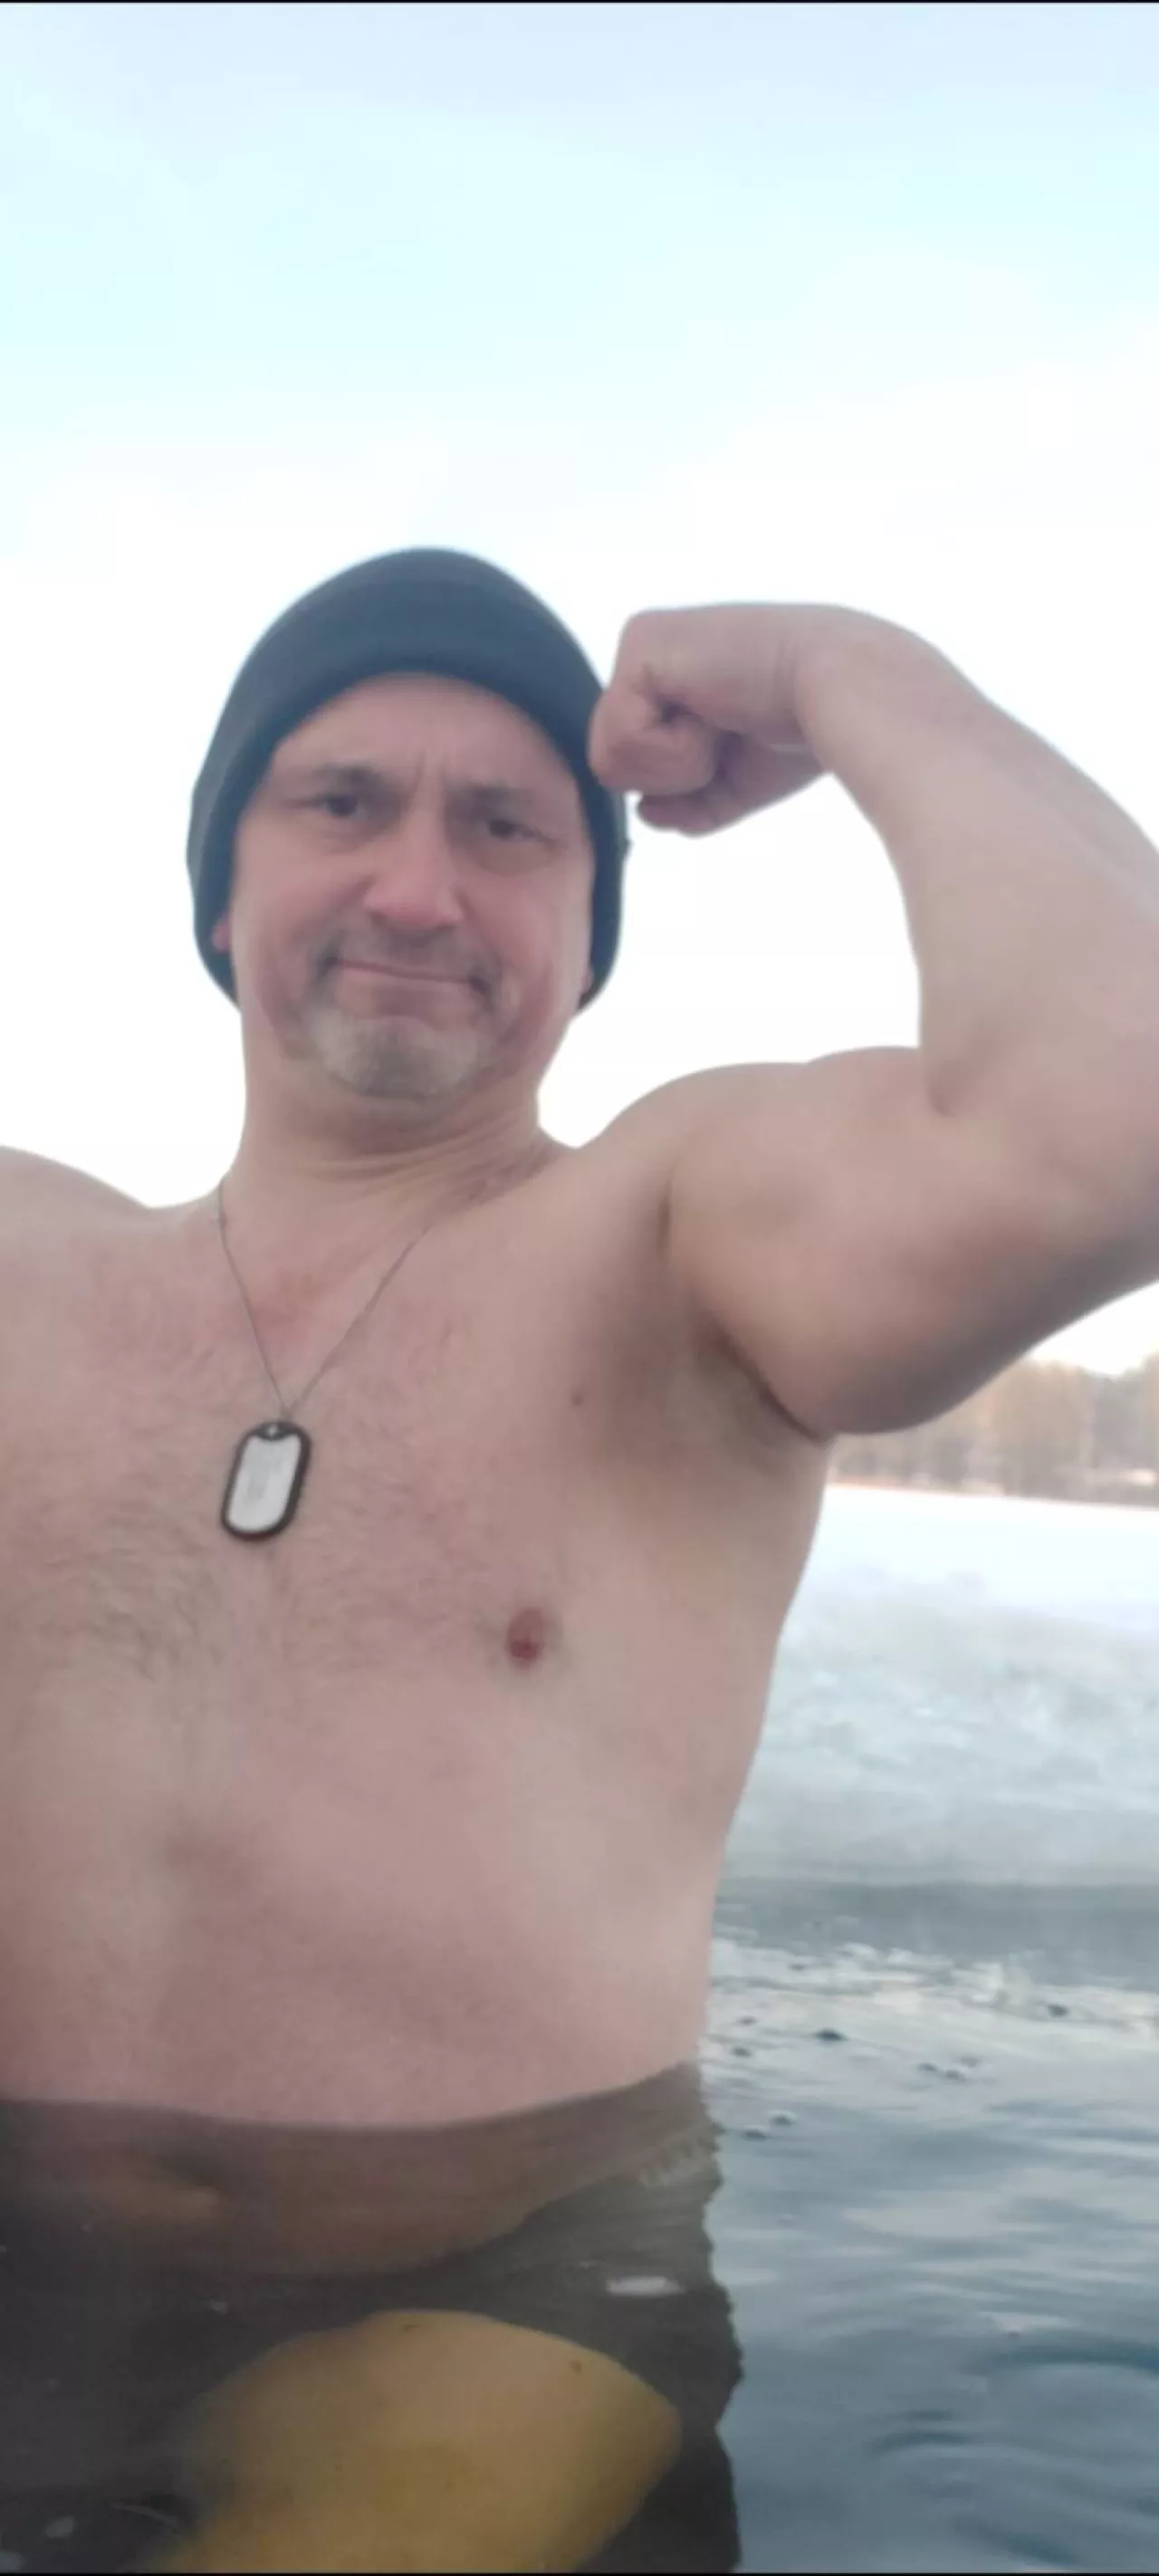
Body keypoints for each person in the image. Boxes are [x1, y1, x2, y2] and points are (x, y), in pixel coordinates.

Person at [2, 547, 1158, 2572]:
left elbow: (1112, 1114)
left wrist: (843, 667)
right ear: (220, 889)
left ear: (590, 932)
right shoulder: (25, 1261)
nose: (418, 890)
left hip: (496, 2285)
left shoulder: (674, 1235)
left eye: (508, 830)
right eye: (342, 803)